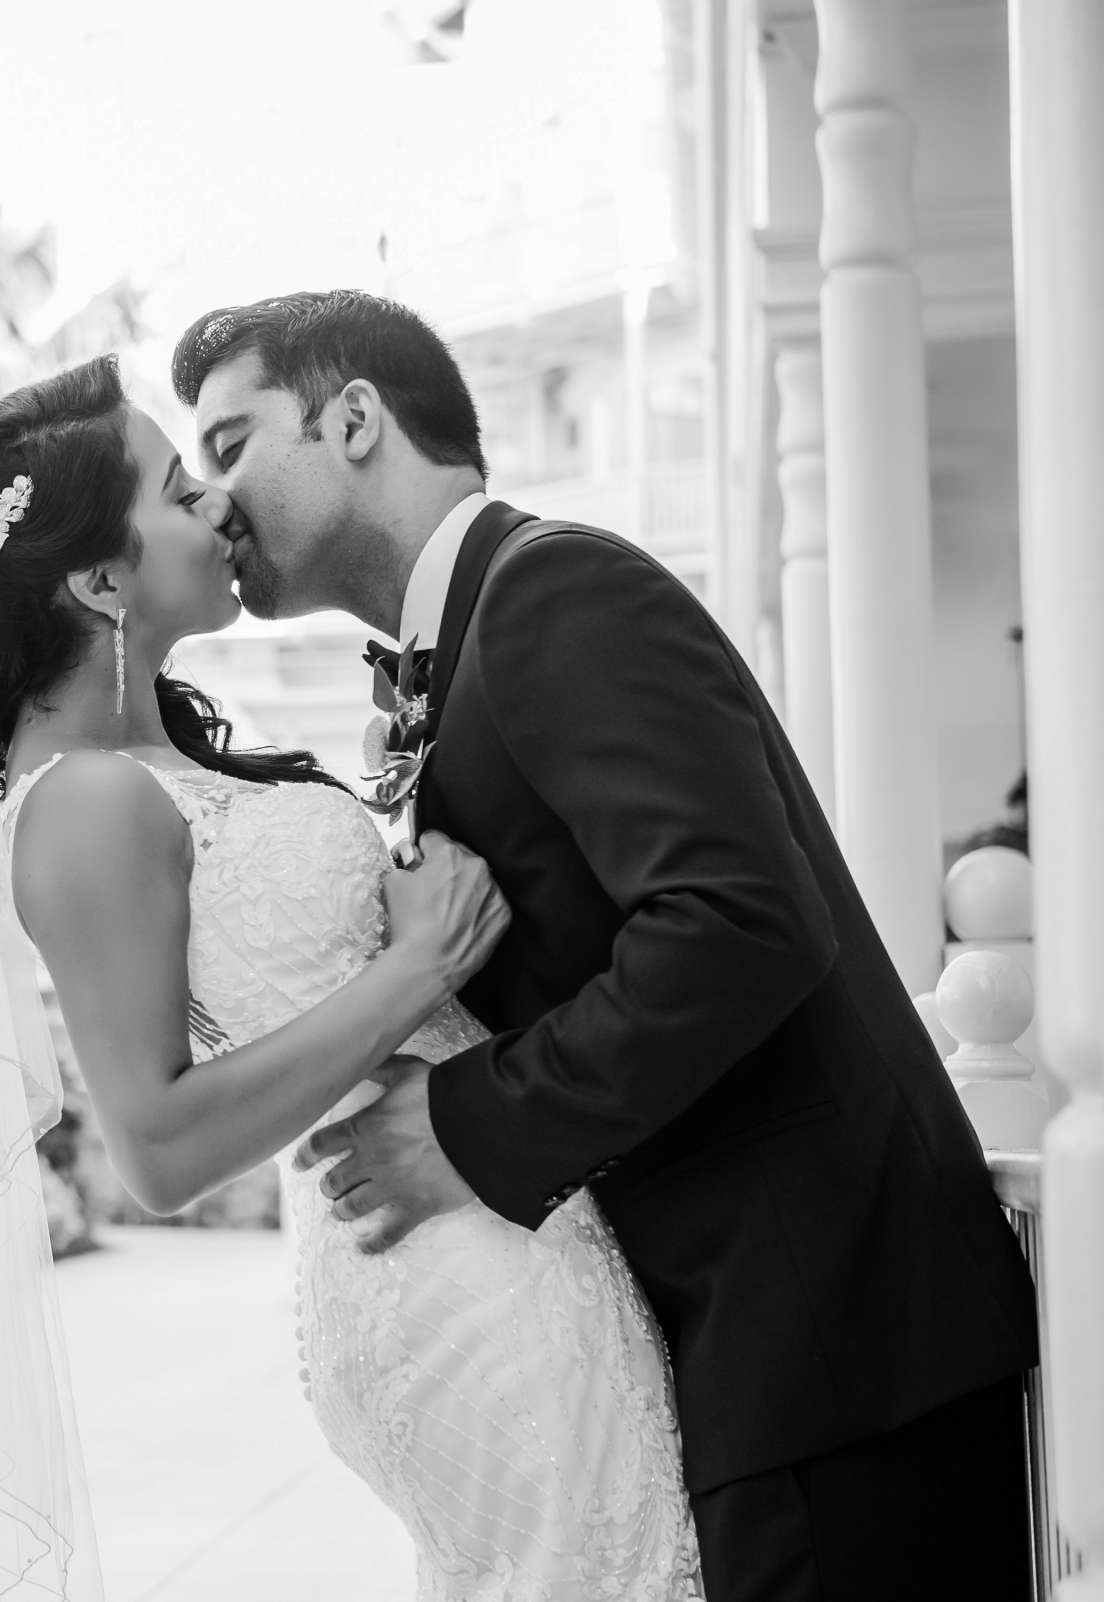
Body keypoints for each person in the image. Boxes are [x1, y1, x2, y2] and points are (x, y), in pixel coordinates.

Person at [0, 352, 703, 1601]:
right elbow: (158, 1146)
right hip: (444, 1267)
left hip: (470, 1225)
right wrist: (417, 966)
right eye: (179, 489)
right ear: (103, 579)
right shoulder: (83, 806)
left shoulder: (157, 768)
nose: (220, 503)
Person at [175, 289, 1040, 1602]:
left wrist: (464, 1120)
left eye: (231, 442)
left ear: (353, 419)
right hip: (754, 1348)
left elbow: (738, 918)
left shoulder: (555, 590)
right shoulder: (456, 645)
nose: (210, 496)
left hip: (832, 1343)